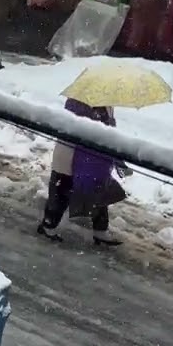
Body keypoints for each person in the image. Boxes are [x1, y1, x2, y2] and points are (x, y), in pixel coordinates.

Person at [36, 99, 127, 246]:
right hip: (70, 154)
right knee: (61, 192)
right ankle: (48, 226)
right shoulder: (79, 99)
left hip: (92, 160)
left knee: (99, 191)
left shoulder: (108, 102)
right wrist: (100, 121)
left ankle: (100, 230)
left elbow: (107, 129)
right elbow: (75, 122)